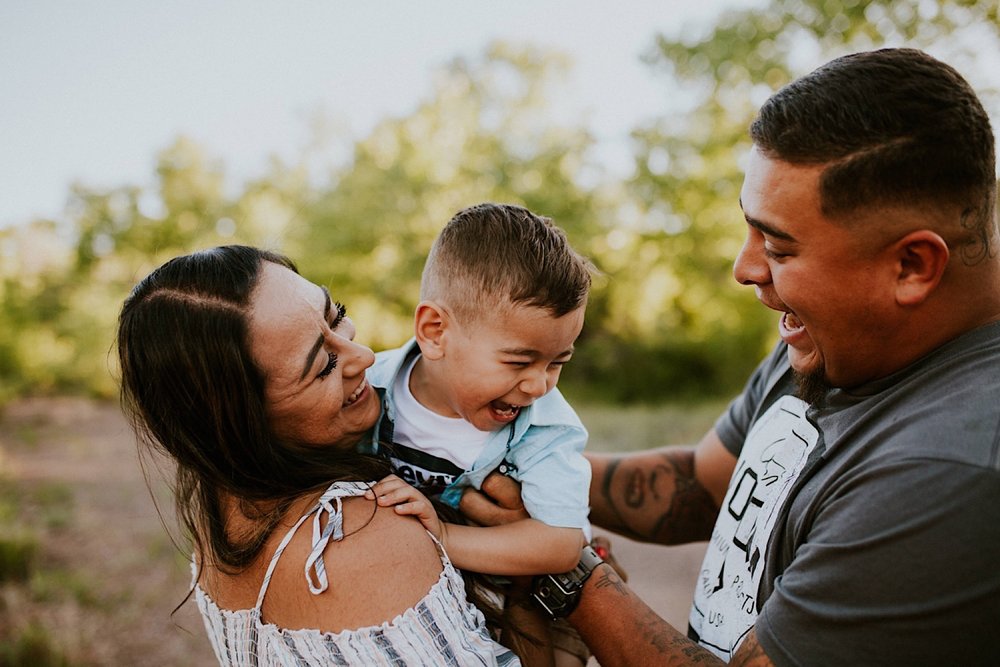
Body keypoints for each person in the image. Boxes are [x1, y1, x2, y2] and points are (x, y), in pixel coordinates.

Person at [462, 47, 1000, 666]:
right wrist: (520, 464)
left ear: (911, 266)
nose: (744, 268)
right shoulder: (827, 341)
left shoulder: (949, 472)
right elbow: (702, 485)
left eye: (777, 246)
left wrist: (561, 568)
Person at [117, 245, 523, 666]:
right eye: (324, 364)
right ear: (243, 424)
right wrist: (547, 581)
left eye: (336, 315)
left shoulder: (220, 515)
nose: (363, 356)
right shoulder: (358, 539)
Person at [362, 202, 596, 665]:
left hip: (531, 598)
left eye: (557, 363)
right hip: (423, 598)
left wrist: (443, 538)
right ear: (435, 331)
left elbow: (561, 543)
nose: (537, 385)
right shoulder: (372, 386)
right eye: (518, 361)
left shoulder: (546, 425)